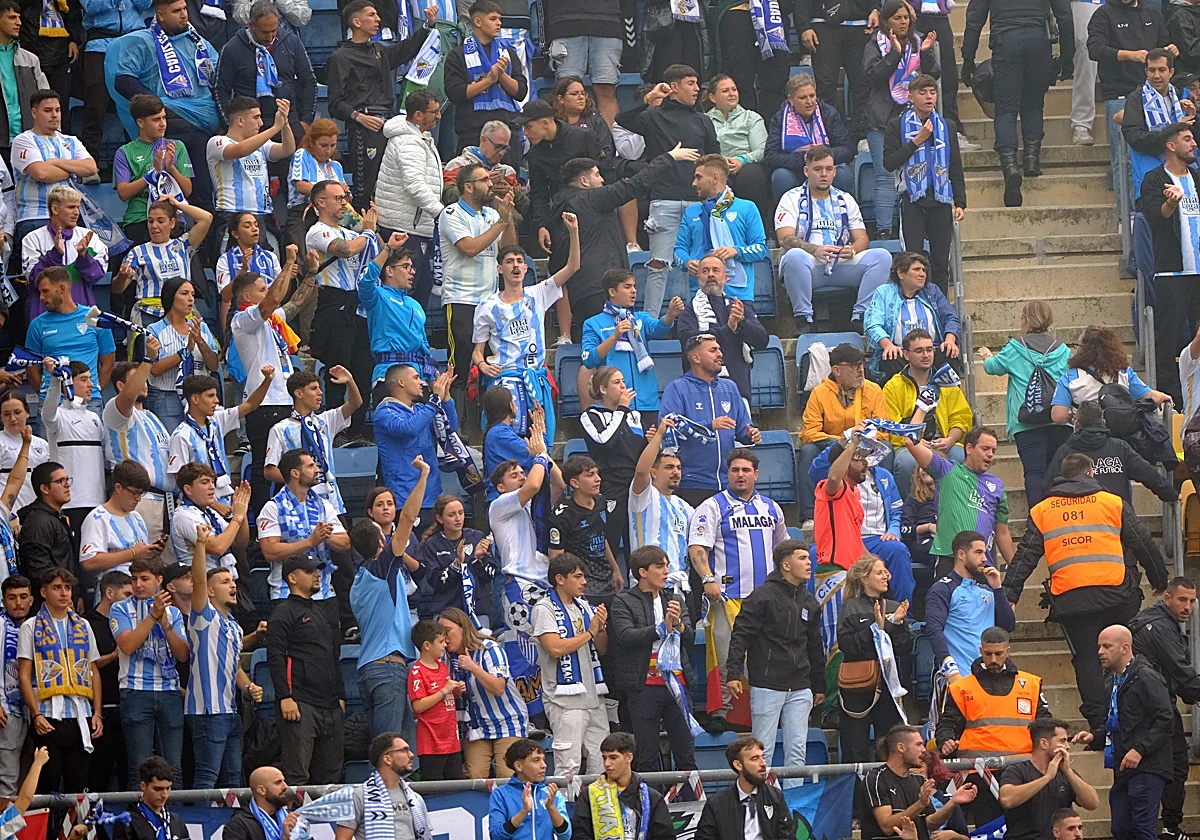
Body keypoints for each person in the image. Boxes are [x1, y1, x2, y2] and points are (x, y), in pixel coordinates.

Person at [1005, 453, 1168, 732]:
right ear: (1091, 472)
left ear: (1060, 475)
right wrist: (1159, 578)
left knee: (1088, 657)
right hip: (1117, 594)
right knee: (1122, 651)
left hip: (1071, 598)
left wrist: (1010, 592)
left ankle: (1099, 722)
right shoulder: (1112, 502)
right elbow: (1142, 542)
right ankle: (1131, 712)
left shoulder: (1044, 509)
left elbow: (1025, 555)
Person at [688, 449, 787, 730]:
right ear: (727, 473)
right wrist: (707, 578)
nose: (740, 475)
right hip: (727, 597)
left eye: (746, 470)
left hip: (765, 598)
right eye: (734, 470)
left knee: (767, 655)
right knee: (724, 653)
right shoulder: (712, 506)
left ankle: (765, 712)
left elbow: (783, 549)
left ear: (756, 474)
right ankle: (723, 712)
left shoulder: (771, 508)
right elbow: (697, 547)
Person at [550, 148, 696, 334]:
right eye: (597, 175)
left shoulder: (559, 207)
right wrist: (668, 158)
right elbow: (633, 186)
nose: (602, 180)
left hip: (580, 292)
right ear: (584, 181)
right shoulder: (591, 198)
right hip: (601, 287)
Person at [616, 65, 721, 318]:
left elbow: (714, 157)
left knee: (703, 266)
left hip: (699, 204)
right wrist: (650, 98)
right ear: (674, 87)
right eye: (691, 83)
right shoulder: (653, 116)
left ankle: (704, 320)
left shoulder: (703, 120)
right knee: (658, 265)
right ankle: (650, 324)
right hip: (664, 200)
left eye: (697, 83)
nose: (697, 89)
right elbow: (623, 120)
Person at [472, 214, 580, 447]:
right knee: (506, 444)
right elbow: (477, 351)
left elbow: (573, 267)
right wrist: (482, 365)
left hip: (535, 379)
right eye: (510, 261)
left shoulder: (538, 293)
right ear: (500, 268)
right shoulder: (487, 306)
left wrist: (573, 232)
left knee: (542, 443)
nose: (516, 266)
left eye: (520, 261)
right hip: (505, 381)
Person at [724, 540, 822, 785]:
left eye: (808, 558)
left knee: (798, 752)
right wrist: (733, 673)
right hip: (767, 684)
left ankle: (793, 807)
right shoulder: (761, 597)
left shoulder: (809, 601)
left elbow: (815, 646)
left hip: (801, 685)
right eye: (802, 558)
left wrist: (819, 685)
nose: (809, 562)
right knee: (761, 752)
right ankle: (760, 802)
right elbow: (741, 635)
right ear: (785, 565)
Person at [106, 0, 221, 208]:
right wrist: (157, 105)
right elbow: (122, 80)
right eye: (177, 11)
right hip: (170, 127)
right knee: (168, 193)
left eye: (185, 9)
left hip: (203, 129)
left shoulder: (199, 43)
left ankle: (204, 240)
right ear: (160, 15)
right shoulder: (142, 42)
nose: (184, 15)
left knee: (203, 191)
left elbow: (218, 79)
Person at [962, 0, 1073, 206]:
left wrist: (968, 58)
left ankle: (1010, 165)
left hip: (1006, 41)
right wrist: (1067, 56)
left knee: (1005, 109)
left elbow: (974, 19)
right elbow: (1065, 16)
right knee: (1033, 103)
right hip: (1039, 39)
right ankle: (1031, 159)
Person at [326, 0, 437, 205]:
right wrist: (358, 117)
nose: (378, 19)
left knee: (389, 185)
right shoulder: (340, 57)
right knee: (365, 186)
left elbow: (405, 50)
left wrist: (427, 26)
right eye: (371, 15)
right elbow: (334, 103)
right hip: (363, 128)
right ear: (356, 21)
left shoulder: (379, 50)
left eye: (377, 15)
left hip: (389, 122)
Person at [936, 626, 1050, 824]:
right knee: (989, 828)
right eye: (988, 654)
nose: (993, 659)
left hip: (1022, 769)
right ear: (981, 651)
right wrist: (945, 740)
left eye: (998, 653)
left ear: (1008, 651)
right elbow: (947, 723)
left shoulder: (1029, 683)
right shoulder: (961, 688)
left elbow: (1045, 723)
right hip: (980, 773)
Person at [775, 146, 893, 329]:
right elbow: (784, 238)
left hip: (841, 264)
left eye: (828, 169)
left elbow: (862, 238)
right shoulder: (790, 198)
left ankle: (861, 317)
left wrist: (852, 249)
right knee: (793, 256)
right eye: (818, 169)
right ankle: (803, 318)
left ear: (834, 171)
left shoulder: (846, 199)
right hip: (810, 265)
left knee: (882, 256)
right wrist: (815, 249)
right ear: (806, 171)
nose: (824, 174)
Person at [350, 456, 425, 743]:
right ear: (382, 542)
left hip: (370, 669)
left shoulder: (359, 580)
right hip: (388, 668)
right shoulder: (382, 568)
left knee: (397, 748)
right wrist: (423, 477)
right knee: (389, 750)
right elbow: (406, 518)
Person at [1076, 626, 1174, 840]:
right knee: (1120, 828)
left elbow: (1166, 720)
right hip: (1122, 767)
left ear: (1125, 648)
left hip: (1148, 766)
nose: (1100, 651)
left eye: (1106, 646)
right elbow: (1119, 722)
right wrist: (1095, 737)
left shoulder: (1146, 677)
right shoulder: (1112, 680)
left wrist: (1140, 750)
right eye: (1099, 646)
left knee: (1142, 829)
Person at [186, 518, 261, 787]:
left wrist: (249, 686)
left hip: (230, 710)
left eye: (232, 580)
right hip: (207, 710)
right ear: (209, 590)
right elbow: (196, 581)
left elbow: (235, 666)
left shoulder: (234, 626)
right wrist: (202, 545)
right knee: (207, 776)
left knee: (233, 778)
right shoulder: (203, 616)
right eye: (224, 581)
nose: (232, 585)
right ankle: (196, 829)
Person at [608, 546, 696, 773]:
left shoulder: (675, 598)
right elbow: (625, 636)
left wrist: (678, 625)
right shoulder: (623, 601)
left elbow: (690, 637)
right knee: (646, 755)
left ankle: (693, 805)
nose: (666, 571)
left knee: (686, 752)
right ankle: (650, 805)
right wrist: (660, 628)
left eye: (667, 565)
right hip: (643, 686)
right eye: (659, 566)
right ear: (643, 572)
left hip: (677, 684)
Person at [976, 300, 1072, 507]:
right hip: (1059, 418)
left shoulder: (1015, 347)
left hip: (1026, 420)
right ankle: (1058, 516)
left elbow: (993, 368)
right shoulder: (1063, 350)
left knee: (1034, 472)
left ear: (1026, 320)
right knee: (1058, 472)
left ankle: (1038, 522)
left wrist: (986, 356)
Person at [17, 567, 102, 797]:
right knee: (47, 784)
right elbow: (24, 674)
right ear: (43, 592)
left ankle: (76, 832)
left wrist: (97, 712)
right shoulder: (31, 626)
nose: (64, 593)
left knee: (78, 786)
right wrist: (36, 714)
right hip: (48, 715)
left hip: (81, 716)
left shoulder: (83, 625)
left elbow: (92, 669)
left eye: (67, 588)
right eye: (57, 588)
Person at [437, 163, 517, 404]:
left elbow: (509, 248)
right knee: (459, 366)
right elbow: (470, 248)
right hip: (460, 299)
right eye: (484, 180)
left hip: (490, 302)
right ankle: (455, 428)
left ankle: (490, 424)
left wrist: (507, 218)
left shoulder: (492, 215)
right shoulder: (451, 214)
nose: (491, 184)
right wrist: (500, 224)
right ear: (468, 187)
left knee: (491, 366)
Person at [229, 250, 301, 514]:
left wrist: (311, 273)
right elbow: (273, 299)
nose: (267, 291)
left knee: (289, 467)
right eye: (261, 288)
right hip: (265, 403)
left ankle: (287, 518)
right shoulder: (244, 319)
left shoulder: (271, 320)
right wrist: (289, 263)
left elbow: (296, 302)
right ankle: (262, 525)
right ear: (247, 297)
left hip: (285, 401)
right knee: (264, 468)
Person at [1129, 579, 1200, 840]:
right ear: (1167, 597)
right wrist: (1195, 692)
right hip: (1155, 707)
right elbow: (1179, 669)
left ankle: (1164, 827)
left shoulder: (1155, 621)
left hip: (1146, 702)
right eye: (1182, 600)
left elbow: (1173, 672)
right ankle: (1169, 828)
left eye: (1192, 601)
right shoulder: (1160, 627)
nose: (1188, 607)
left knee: (1168, 766)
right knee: (1174, 765)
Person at [266, 553, 346, 785]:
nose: (317, 574)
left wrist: (340, 696)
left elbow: (333, 656)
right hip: (300, 704)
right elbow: (276, 657)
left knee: (332, 775)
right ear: (292, 577)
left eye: (317, 570)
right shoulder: (283, 613)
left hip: (330, 705)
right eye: (309, 571)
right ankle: (293, 821)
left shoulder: (322, 612)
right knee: (296, 775)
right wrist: (285, 697)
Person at [863, 0, 940, 237]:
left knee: (920, 171)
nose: (903, 22)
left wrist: (925, 53)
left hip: (914, 117)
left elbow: (932, 77)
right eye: (897, 18)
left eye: (906, 17)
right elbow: (873, 76)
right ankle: (885, 230)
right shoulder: (875, 44)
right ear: (886, 22)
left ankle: (920, 228)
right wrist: (895, 55)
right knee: (885, 176)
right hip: (883, 118)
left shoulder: (918, 42)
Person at [882, 76, 967, 289]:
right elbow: (889, 162)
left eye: (932, 92)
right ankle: (915, 306)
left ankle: (940, 310)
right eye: (923, 92)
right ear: (910, 97)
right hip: (912, 200)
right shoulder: (896, 125)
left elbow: (954, 165)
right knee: (913, 261)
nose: (929, 97)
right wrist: (916, 141)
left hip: (940, 198)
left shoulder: (946, 126)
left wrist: (960, 201)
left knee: (940, 263)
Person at [110, 555, 188, 785]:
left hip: (169, 691)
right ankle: (140, 819)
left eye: (144, 579)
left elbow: (183, 655)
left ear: (159, 580)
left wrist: (165, 624)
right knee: (139, 765)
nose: (138, 585)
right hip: (135, 690)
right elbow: (127, 645)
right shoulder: (120, 608)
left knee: (174, 765)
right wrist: (153, 616)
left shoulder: (172, 612)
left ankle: (174, 818)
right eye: (134, 579)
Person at [532, 552, 609, 778]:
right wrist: (591, 631)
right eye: (577, 576)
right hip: (565, 702)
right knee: (568, 767)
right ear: (560, 579)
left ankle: (597, 813)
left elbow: (601, 649)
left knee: (602, 766)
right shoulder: (544, 608)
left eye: (583, 576)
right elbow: (554, 648)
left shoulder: (584, 606)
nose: (584, 582)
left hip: (594, 697)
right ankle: (564, 814)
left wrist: (601, 628)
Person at [811, 428, 913, 599]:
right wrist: (853, 444)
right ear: (844, 464)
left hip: (852, 571)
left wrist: (876, 564)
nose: (866, 462)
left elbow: (856, 541)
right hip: (834, 572)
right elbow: (834, 477)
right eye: (859, 459)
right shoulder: (833, 488)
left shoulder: (854, 493)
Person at [659, 334, 761, 503]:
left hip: (728, 485)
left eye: (719, 349)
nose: (720, 354)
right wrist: (709, 426)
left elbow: (743, 428)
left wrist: (751, 433)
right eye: (713, 350)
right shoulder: (677, 388)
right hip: (693, 483)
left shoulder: (730, 387)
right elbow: (668, 428)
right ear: (696, 357)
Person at [1139, 123, 1200, 406]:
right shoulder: (1154, 179)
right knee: (1168, 340)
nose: (1194, 143)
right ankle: (1172, 400)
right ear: (1171, 146)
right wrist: (1171, 205)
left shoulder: (1197, 178)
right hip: (1172, 273)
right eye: (1187, 139)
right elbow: (1154, 216)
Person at [799, 342, 890, 525]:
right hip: (834, 447)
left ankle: (884, 506)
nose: (861, 370)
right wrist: (843, 440)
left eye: (862, 364)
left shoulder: (874, 390)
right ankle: (810, 515)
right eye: (854, 366)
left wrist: (861, 441)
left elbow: (883, 431)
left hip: (866, 445)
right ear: (837, 370)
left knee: (887, 448)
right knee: (808, 451)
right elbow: (808, 433)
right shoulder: (819, 393)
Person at [902, 426, 1014, 568]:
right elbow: (910, 442)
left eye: (993, 450)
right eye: (985, 449)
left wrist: (1014, 569)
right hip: (950, 559)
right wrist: (923, 408)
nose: (990, 454)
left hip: (983, 564)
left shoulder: (997, 485)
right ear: (969, 448)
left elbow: (1002, 532)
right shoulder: (947, 470)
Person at [258, 449, 349, 622]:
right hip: (286, 593)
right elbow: (270, 551)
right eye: (311, 466)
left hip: (323, 593)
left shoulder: (324, 505)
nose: (317, 469)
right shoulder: (273, 507)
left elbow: (345, 543)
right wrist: (310, 541)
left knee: (330, 647)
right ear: (295, 473)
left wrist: (324, 536)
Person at [836, 556, 911, 763]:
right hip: (857, 688)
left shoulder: (895, 606)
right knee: (854, 749)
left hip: (888, 687)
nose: (886, 576)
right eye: (879, 572)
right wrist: (875, 629)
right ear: (865, 579)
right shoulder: (850, 607)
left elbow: (905, 647)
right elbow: (847, 646)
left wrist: (894, 625)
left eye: (885, 571)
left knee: (889, 748)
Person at [438, 607, 528, 779]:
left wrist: (473, 667)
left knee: (506, 774)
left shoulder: (490, 649)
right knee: (474, 775)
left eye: (447, 630)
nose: (444, 637)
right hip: (476, 727)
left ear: (462, 627)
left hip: (506, 721)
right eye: (440, 632)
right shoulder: (444, 658)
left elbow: (498, 688)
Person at [519, 98, 610, 266]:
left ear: (545, 123)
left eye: (528, 127)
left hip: (593, 212)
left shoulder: (583, 137)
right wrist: (542, 225)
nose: (525, 133)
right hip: (561, 217)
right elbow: (539, 193)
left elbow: (603, 175)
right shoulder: (534, 155)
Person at [213, 0, 317, 145]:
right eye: (264, 32)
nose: (270, 37)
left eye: (274, 30)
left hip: (288, 122)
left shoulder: (291, 42)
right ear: (251, 25)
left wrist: (306, 121)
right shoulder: (232, 48)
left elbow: (309, 82)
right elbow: (220, 89)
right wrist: (229, 125)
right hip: (249, 128)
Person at [375, 90, 443, 307]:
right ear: (417, 115)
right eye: (434, 112)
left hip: (412, 226)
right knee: (406, 294)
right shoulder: (409, 143)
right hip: (406, 229)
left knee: (418, 291)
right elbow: (414, 184)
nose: (439, 116)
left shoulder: (417, 138)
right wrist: (441, 213)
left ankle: (413, 340)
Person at [582, 269, 680, 417]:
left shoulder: (640, 318)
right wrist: (614, 337)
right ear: (612, 292)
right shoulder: (593, 323)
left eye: (634, 286)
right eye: (627, 287)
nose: (633, 291)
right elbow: (589, 359)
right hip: (614, 405)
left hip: (647, 403)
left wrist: (670, 314)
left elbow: (659, 328)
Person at [264, 367, 361, 517]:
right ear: (299, 393)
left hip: (332, 502)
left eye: (320, 388)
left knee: (343, 539)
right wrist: (298, 481)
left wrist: (350, 381)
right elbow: (269, 470)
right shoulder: (280, 429)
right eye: (314, 388)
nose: (320, 393)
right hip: (299, 503)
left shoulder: (326, 420)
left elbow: (355, 403)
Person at [168, 370, 273, 506]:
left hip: (224, 495)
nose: (216, 401)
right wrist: (215, 506)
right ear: (195, 399)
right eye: (210, 396)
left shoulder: (216, 420)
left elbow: (250, 405)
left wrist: (267, 381)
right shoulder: (181, 435)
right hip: (199, 505)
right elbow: (180, 478)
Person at [674, 155, 769, 305]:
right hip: (700, 297)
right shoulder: (691, 212)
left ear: (715, 178)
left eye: (698, 177)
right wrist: (687, 262)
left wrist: (736, 251)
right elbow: (678, 250)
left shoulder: (747, 208)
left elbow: (761, 249)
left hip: (739, 296)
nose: (694, 183)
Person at [926, 531, 1016, 689]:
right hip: (959, 678)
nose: (984, 559)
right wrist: (951, 671)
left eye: (985, 553)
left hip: (991, 678)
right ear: (961, 554)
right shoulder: (942, 589)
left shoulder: (987, 590)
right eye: (978, 552)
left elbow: (1008, 626)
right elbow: (934, 630)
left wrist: (998, 589)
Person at [102, 342, 173, 543]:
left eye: (145, 378)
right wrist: (148, 360)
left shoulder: (152, 417)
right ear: (121, 386)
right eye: (137, 378)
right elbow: (126, 400)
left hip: (165, 502)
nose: (144, 382)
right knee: (143, 565)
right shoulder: (116, 412)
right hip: (140, 500)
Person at [884, 328, 970, 491]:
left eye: (929, 350)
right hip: (909, 445)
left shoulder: (947, 382)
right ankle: (907, 511)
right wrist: (913, 442)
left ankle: (956, 508)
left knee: (960, 455)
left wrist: (950, 440)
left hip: (942, 441)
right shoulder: (892, 386)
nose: (926, 355)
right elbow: (890, 426)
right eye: (919, 350)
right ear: (906, 354)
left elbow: (962, 419)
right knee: (906, 463)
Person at [442, 0, 527, 163]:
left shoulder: (508, 52)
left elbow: (521, 92)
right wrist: (488, 80)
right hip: (473, 130)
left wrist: (501, 76)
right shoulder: (458, 54)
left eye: (499, 19)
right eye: (493, 19)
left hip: (507, 131)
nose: (499, 23)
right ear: (478, 21)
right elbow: (455, 93)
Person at [1045, 399, 1177, 504]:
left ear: (1077, 424)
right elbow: (1148, 474)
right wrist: (1171, 495)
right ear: (1103, 422)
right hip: (1118, 524)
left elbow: (1048, 487)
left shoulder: (1064, 452)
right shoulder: (1120, 448)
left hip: (1079, 526)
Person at [859, 725, 977, 840]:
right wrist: (920, 804)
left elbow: (930, 824)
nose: (923, 750)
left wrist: (953, 803)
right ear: (901, 748)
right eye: (918, 744)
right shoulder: (876, 778)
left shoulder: (918, 780)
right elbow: (887, 826)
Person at [113, 197, 212, 333]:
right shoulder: (137, 252)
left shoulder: (183, 245)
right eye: (150, 221)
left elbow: (206, 218)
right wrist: (122, 277)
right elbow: (117, 289)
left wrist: (177, 204)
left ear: (172, 223)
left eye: (160, 221)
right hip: (148, 315)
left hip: (182, 312)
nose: (154, 226)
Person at [10, 91, 96, 246]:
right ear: (34, 113)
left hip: (69, 217)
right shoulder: (23, 140)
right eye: (48, 111)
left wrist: (54, 162)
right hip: (36, 215)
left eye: (57, 110)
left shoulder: (71, 140)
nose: (54, 115)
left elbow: (91, 168)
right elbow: (41, 173)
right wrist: (73, 169)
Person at [25, 266, 116, 412]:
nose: (41, 297)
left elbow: (108, 362)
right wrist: (48, 395)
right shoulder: (37, 325)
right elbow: (32, 369)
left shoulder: (94, 318)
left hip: (89, 403)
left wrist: (92, 392)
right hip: (53, 404)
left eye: (45, 291)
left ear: (62, 288)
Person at [357, 232, 435, 401]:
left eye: (413, 267)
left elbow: (424, 345)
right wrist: (388, 248)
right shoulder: (377, 296)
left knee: (423, 427)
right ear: (390, 270)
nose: (412, 272)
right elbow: (364, 282)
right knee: (392, 426)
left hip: (418, 378)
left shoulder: (415, 305)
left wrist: (432, 378)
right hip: (388, 375)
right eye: (406, 267)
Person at [579, 368, 645, 562]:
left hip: (636, 486)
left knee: (638, 545)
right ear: (603, 389)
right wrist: (622, 410)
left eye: (623, 380)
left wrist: (650, 441)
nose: (623, 386)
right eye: (617, 382)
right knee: (610, 540)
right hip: (611, 486)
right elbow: (604, 442)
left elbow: (636, 451)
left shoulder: (635, 416)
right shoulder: (591, 415)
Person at [207, 95, 295, 243]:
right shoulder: (217, 142)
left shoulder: (261, 144)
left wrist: (284, 122)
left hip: (263, 215)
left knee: (267, 263)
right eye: (256, 117)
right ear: (240, 120)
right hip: (233, 214)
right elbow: (240, 150)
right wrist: (275, 128)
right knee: (235, 264)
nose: (260, 123)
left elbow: (288, 149)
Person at [112, 95, 194, 251]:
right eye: (156, 120)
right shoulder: (125, 152)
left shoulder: (177, 146)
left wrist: (170, 168)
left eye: (164, 118)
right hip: (140, 218)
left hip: (173, 218)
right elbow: (123, 193)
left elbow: (188, 190)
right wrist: (153, 174)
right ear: (140, 122)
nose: (163, 124)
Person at [374, 366, 457, 521]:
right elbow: (408, 429)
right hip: (405, 498)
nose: (421, 382)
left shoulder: (422, 409)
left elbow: (449, 430)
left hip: (433, 497)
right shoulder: (384, 411)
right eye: (416, 377)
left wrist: (445, 397)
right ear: (401, 382)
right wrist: (434, 399)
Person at [998, 718, 1100, 840]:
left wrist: (1068, 771)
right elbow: (1007, 799)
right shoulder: (1017, 770)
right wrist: (1047, 777)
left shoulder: (1066, 773)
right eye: (1062, 741)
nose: (1067, 747)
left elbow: (1093, 803)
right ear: (1044, 743)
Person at [865, 253, 961, 382]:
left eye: (924, 270)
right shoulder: (884, 292)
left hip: (933, 350)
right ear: (901, 273)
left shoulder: (932, 291)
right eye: (916, 269)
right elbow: (872, 324)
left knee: (950, 352)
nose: (922, 274)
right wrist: (887, 345)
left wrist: (949, 340)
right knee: (890, 358)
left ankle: (949, 399)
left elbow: (951, 317)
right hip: (900, 352)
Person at [1049, 324, 1171, 425]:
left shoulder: (1070, 378)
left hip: (1085, 440)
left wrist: (1076, 418)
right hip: (1122, 438)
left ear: (1083, 350)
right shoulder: (1123, 372)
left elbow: (1058, 416)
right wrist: (1163, 397)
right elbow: (1150, 396)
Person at [143, 275, 221, 432]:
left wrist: (200, 341)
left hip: (200, 398)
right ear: (171, 297)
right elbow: (155, 369)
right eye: (184, 294)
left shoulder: (202, 328)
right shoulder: (154, 330)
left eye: (192, 295)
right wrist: (186, 351)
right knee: (172, 449)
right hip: (167, 398)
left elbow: (213, 364)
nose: (191, 299)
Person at [21, 185, 106, 320]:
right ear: (55, 209)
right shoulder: (32, 239)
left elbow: (96, 276)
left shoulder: (89, 237)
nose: (77, 212)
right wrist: (55, 254)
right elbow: (34, 280)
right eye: (71, 207)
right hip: (44, 316)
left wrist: (84, 257)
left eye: (78, 207)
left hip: (81, 316)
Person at [764, 75, 855, 200]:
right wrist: (806, 158)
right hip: (797, 169)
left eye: (812, 96)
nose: (809, 102)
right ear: (791, 100)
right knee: (781, 176)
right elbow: (771, 156)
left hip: (825, 168)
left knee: (844, 174)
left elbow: (848, 150)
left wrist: (822, 157)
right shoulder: (780, 119)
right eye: (802, 98)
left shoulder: (829, 113)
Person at [572, 732, 676, 840]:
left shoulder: (652, 798)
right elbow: (579, 835)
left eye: (613, 757)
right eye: (604, 758)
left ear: (629, 757)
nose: (607, 763)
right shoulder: (589, 795)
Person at [548, 455, 623, 605]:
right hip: (583, 586)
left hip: (607, 579)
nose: (598, 479)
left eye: (597, 473)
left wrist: (616, 569)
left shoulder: (601, 501)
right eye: (590, 475)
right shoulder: (563, 515)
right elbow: (556, 559)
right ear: (575, 483)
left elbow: (602, 537)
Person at [628, 419, 693, 593]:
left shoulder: (686, 507)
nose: (676, 472)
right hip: (646, 586)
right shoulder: (644, 496)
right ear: (654, 472)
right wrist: (659, 435)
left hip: (679, 587)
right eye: (669, 467)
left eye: (679, 468)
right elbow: (641, 471)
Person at [40, 359, 103, 532]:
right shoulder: (58, 416)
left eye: (90, 379)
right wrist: (55, 379)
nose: (91, 384)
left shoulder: (95, 418)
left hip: (98, 501)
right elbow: (48, 413)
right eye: (83, 379)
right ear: (68, 383)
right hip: (71, 502)